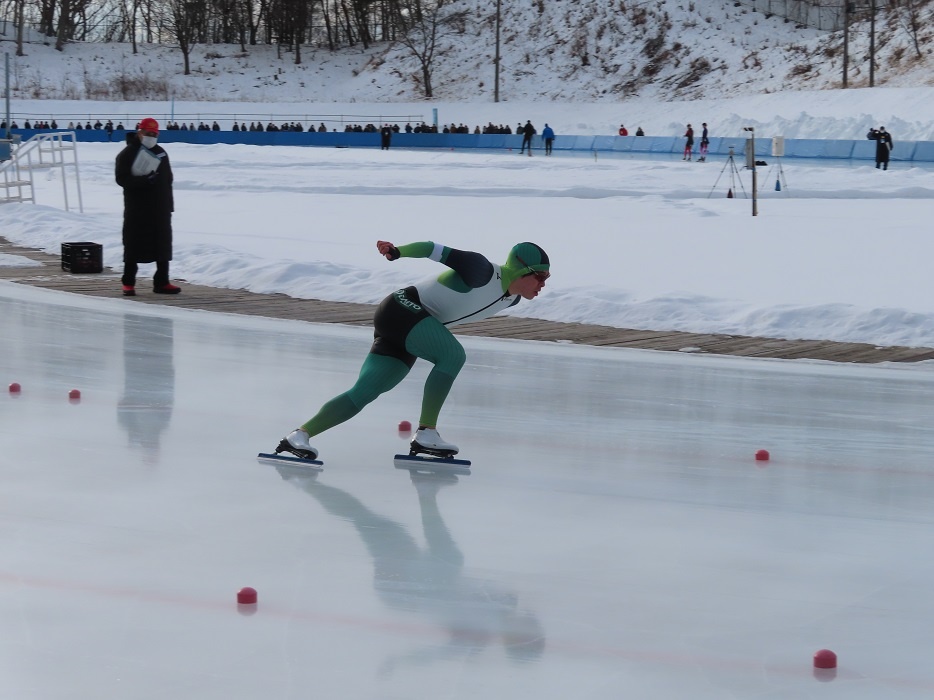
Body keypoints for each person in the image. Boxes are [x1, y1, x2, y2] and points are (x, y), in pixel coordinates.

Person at [275, 240, 551, 462]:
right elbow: (432, 249)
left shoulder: (512, 300)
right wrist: (398, 252)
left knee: (365, 391)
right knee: (453, 355)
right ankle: (426, 433)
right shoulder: (481, 270)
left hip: (409, 325)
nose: (543, 284)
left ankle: (298, 436)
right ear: (521, 270)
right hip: (400, 308)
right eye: (540, 276)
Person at [114, 117, 181, 296]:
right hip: (138, 209)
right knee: (133, 244)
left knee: (162, 244)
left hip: (160, 208)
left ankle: (162, 281)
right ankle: (128, 282)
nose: (151, 137)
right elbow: (122, 179)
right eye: (148, 133)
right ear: (139, 132)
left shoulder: (161, 153)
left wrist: (169, 205)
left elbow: (168, 180)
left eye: (154, 134)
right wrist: (144, 181)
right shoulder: (127, 153)